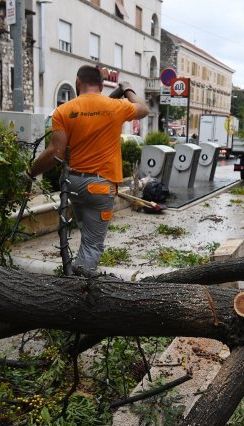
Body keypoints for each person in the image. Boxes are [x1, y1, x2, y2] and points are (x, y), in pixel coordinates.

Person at [28, 65, 148, 274]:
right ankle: (79, 289)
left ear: (77, 82)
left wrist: (30, 172)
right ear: (102, 86)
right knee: (93, 244)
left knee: (86, 235)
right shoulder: (116, 106)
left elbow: (56, 152)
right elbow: (143, 109)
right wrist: (128, 89)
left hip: (73, 184)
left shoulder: (64, 111)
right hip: (100, 187)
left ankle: (75, 273)